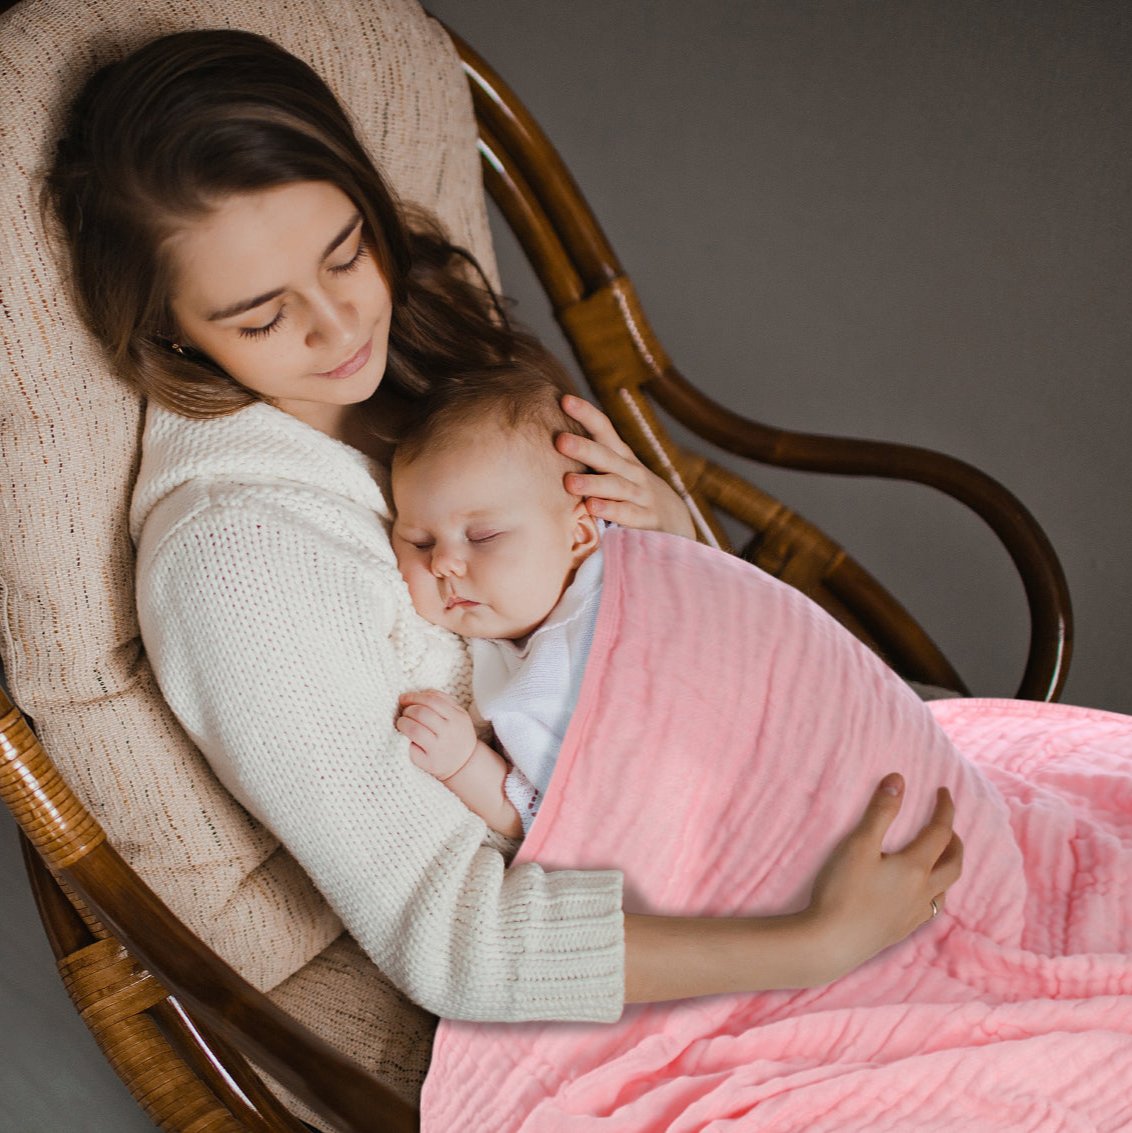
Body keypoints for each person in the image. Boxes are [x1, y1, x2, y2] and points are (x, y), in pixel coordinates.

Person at [46, 27, 960, 1032]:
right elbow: (458, 939)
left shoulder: (427, 354)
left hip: (766, 795)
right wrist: (811, 942)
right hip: (674, 946)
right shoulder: (239, 563)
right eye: (261, 318)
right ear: (173, 331)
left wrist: (664, 535)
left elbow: (647, 646)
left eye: (347, 250)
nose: (341, 325)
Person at [391, 349, 606, 838]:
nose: (442, 563)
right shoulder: (499, 674)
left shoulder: (625, 590)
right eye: (420, 542)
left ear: (579, 536)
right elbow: (547, 821)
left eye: (483, 537)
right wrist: (465, 763)